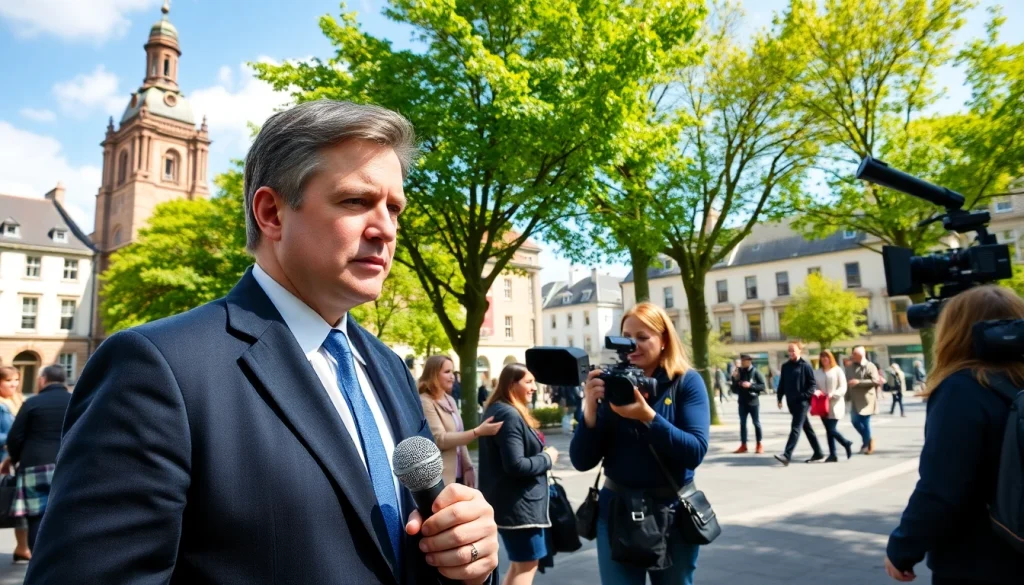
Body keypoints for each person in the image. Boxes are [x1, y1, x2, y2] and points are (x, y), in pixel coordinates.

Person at [23, 100, 498, 585]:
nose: (386, 229)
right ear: (271, 212)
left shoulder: (388, 367)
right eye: (356, 201)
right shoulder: (157, 369)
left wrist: (468, 554)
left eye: (394, 208)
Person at [885, 285, 1024, 585]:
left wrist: (902, 548)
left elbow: (941, 488)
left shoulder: (962, 389)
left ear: (955, 332)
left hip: (981, 558)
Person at [570, 302, 711, 585]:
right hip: (617, 511)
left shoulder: (685, 382)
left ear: (664, 340)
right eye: (626, 336)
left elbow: (694, 451)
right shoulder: (609, 383)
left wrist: (647, 416)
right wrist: (590, 410)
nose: (632, 345)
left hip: (671, 512)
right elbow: (582, 461)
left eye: (643, 337)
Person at [478, 364, 558, 585]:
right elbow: (515, 465)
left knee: (519, 563)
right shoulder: (509, 414)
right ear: (512, 384)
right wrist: (547, 458)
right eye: (528, 382)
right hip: (519, 507)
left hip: (512, 503)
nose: (534, 387)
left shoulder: (498, 409)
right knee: (527, 565)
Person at [2, 365, 71, 552]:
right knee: (66, 513)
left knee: (36, 516)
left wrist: (14, 459)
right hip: (68, 465)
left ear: (42, 380)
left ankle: (38, 564)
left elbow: (14, 438)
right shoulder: (75, 401)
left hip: (35, 464)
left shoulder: (33, 403)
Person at [419, 355, 503, 487]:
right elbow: (440, 439)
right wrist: (477, 432)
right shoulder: (425, 401)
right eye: (447, 372)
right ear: (433, 374)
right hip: (440, 479)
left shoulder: (450, 400)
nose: (452, 376)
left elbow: (460, 436)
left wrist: (468, 467)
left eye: (452, 372)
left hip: (459, 476)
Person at [774, 342, 824, 466]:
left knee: (795, 427)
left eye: (793, 350)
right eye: (789, 351)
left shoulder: (805, 366)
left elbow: (812, 385)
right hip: (791, 402)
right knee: (807, 428)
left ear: (799, 351)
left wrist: (804, 396)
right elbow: (782, 383)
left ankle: (787, 455)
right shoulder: (785, 366)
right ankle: (818, 452)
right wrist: (779, 398)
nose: (791, 353)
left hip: (802, 403)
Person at [0, 366, 29, 562]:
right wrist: (12, 439)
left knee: (19, 506)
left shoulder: (18, 401)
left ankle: (23, 547)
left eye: (16, 380)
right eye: (9, 380)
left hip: (12, 459)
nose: (14, 384)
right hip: (2, 458)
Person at [813, 350, 853, 462]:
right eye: (822, 357)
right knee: (828, 430)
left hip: (835, 403)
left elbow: (843, 387)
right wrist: (816, 391)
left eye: (826, 357)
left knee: (831, 429)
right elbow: (814, 385)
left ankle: (846, 443)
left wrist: (834, 394)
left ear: (831, 358)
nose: (824, 359)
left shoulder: (838, 370)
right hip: (822, 404)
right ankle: (833, 454)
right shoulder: (817, 372)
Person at [846, 346, 882, 454]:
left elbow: (876, 381)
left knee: (865, 423)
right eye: (853, 354)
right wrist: (846, 397)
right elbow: (847, 382)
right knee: (855, 421)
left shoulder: (870, 366)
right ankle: (869, 439)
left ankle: (867, 444)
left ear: (862, 355)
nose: (853, 357)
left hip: (867, 400)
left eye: (855, 355)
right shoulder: (849, 367)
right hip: (855, 400)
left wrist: (859, 382)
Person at [730, 355, 765, 454]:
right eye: (741, 361)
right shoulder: (739, 372)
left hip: (753, 402)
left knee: (756, 423)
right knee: (742, 424)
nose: (742, 363)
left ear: (749, 361)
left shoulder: (756, 372)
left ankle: (759, 444)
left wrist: (751, 385)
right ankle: (743, 445)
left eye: (744, 361)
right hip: (742, 402)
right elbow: (734, 389)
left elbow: (762, 386)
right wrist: (734, 379)